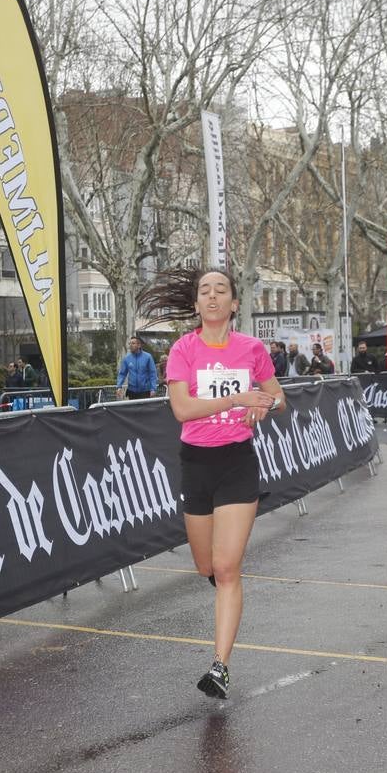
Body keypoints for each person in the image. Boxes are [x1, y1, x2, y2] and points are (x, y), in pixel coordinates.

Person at [138, 265, 285, 700]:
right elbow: (182, 410)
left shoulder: (252, 348)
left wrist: (265, 404)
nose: (214, 296)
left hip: (238, 462)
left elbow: (279, 398)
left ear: (234, 303)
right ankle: (221, 584)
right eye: (206, 291)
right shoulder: (184, 350)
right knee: (206, 566)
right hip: (196, 464)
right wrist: (237, 398)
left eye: (222, 290)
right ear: (198, 304)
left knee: (226, 568)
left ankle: (220, 666)